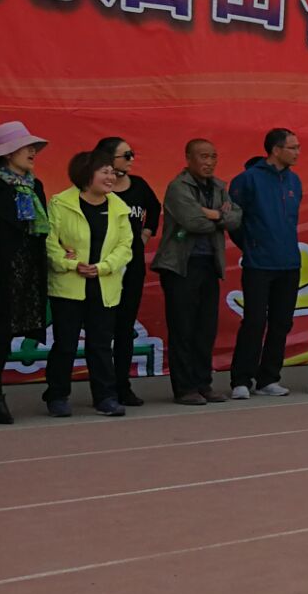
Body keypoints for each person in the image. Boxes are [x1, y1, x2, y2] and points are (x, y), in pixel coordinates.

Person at [0, 120, 50, 425]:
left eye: (33, 147)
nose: (32, 152)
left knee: (7, 334)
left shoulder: (35, 186)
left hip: (26, 271)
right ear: (7, 153)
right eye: (26, 147)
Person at [44, 148, 133, 417]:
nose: (111, 177)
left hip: (104, 285)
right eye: (104, 172)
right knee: (65, 344)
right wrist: (72, 264)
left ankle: (105, 396)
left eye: (112, 172)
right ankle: (57, 395)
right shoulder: (60, 203)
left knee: (101, 344)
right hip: (69, 286)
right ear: (86, 174)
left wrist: (103, 267)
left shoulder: (119, 207)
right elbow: (50, 243)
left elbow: (125, 246)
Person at [154, 139, 242, 406]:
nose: (209, 162)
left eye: (213, 156)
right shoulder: (178, 187)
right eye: (203, 156)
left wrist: (211, 214)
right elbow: (192, 222)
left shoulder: (219, 186)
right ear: (189, 158)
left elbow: (236, 217)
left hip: (209, 264)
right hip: (181, 265)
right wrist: (218, 217)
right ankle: (184, 388)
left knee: (206, 329)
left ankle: (203, 383)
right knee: (183, 328)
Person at [227, 128, 303, 398]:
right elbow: (234, 222)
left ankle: (268, 378)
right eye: (292, 147)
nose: (297, 152)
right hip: (259, 264)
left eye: (298, 147)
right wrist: (252, 245)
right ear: (275, 150)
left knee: (282, 323)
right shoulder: (247, 180)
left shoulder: (294, 181)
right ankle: (241, 380)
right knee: (254, 321)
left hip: (289, 263)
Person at [93, 137, 161, 406]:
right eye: (127, 155)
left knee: (124, 327)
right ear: (108, 159)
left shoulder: (139, 185)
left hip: (131, 266)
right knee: (101, 329)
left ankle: (122, 385)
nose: (132, 160)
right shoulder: (99, 189)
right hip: (102, 267)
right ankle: (103, 389)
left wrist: (145, 234)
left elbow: (154, 209)